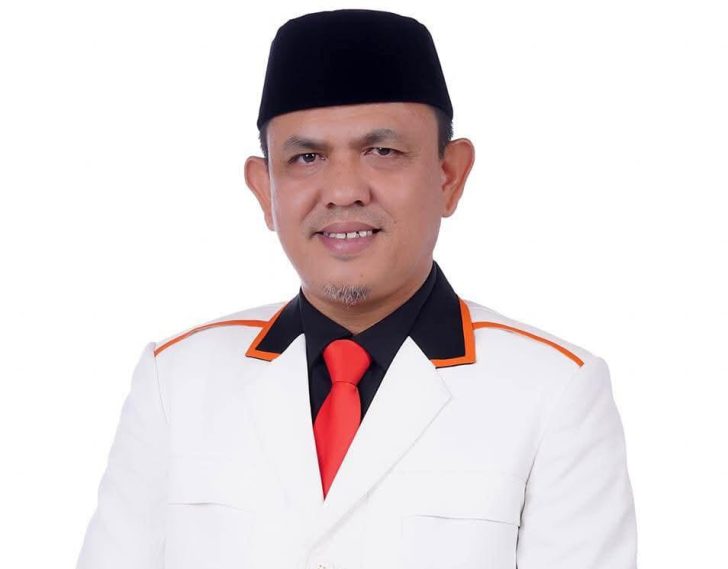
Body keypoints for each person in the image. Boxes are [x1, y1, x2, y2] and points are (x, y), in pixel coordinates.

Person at [76, 8, 638, 569]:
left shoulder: (554, 392)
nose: (343, 191)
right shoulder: (176, 380)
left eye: (382, 152)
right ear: (264, 189)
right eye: (307, 157)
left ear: (449, 176)